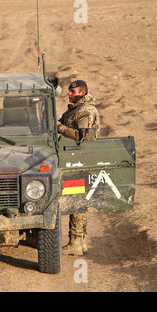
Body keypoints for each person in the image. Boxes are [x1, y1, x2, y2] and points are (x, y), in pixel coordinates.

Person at [57, 80, 100, 256]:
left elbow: (83, 137)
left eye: (73, 91)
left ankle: (76, 242)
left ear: (82, 92)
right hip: (75, 159)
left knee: (77, 200)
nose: (69, 94)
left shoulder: (86, 111)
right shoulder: (76, 109)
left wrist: (59, 127)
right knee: (78, 201)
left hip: (81, 160)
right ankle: (80, 242)